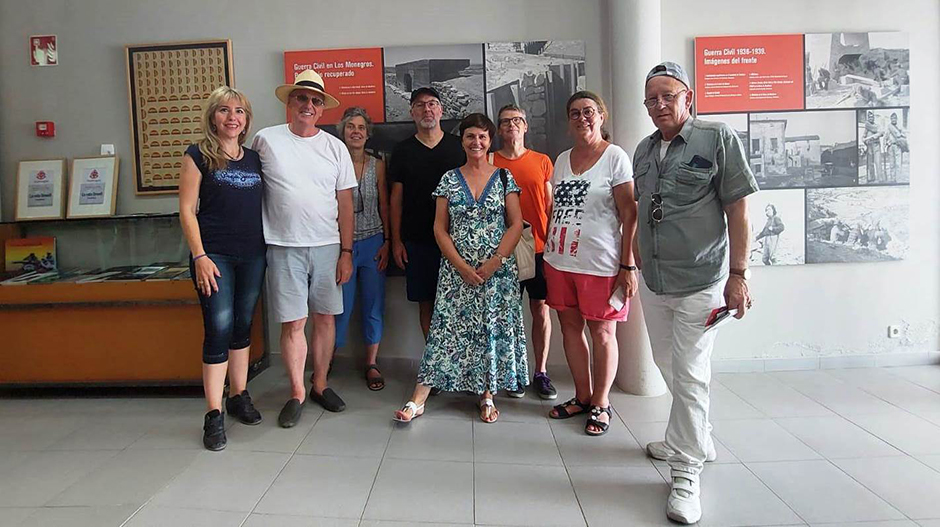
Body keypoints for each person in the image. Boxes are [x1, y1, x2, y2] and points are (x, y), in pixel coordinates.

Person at [633, 62, 758, 524]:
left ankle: (686, 471)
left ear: (689, 96)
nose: (660, 105)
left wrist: (739, 274)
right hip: (654, 282)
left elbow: (738, 210)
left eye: (668, 95)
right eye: (652, 99)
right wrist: (634, 257)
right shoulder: (644, 150)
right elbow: (643, 209)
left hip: (700, 283)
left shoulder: (717, 137)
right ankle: (694, 434)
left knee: (690, 375)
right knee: (669, 366)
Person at [393, 113, 527, 424]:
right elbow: (440, 229)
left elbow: (516, 223)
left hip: (497, 273)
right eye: (470, 136)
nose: (476, 142)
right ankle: (419, 398)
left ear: (489, 140)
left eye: (482, 136)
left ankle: (487, 395)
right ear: (462, 141)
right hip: (456, 273)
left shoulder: (505, 178)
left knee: (488, 329)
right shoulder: (449, 180)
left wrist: (495, 262)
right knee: (444, 331)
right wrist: (462, 266)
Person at [251, 69, 357, 427]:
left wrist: (346, 252)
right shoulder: (265, 140)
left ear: (322, 108)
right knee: (294, 322)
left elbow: (345, 204)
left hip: (327, 246)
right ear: (289, 102)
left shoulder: (335, 147)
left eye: (315, 100)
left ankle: (320, 384)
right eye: (301, 98)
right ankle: (296, 392)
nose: (307, 105)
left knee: (325, 318)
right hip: (282, 246)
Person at [544, 91, 638, 438]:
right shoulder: (563, 159)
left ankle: (601, 401)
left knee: (602, 332)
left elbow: (630, 214)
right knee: (570, 328)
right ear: (568, 122)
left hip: (600, 263)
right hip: (559, 260)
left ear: (601, 115)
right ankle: (582, 397)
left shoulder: (615, 157)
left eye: (588, 111)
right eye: (574, 113)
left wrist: (628, 267)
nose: (582, 118)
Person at [179, 86, 265, 451]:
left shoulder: (254, 158)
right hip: (214, 257)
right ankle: (213, 414)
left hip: (253, 254)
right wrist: (199, 256)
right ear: (213, 117)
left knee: (243, 326)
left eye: (240, 111)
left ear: (246, 120)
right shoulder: (197, 155)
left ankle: (239, 395)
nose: (233, 117)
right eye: (225, 110)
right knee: (218, 328)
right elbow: (186, 209)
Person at [389, 87, 465, 391]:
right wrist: (396, 240)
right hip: (418, 240)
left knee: (460, 306)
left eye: (432, 104)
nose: (427, 110)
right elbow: (396, 199)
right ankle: (437, 367)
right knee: (427, 304)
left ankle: (462, 366)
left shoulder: (459, 147)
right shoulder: (403, 150)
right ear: (412, 112)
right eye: (420, 105)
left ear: (441, 110)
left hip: (460, 242)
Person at [490, 104, 557, 400]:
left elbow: (551, 206)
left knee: (540, 310)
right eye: (505, 122)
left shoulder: (542, 161)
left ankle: (540, 372)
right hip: (505, 251)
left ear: (525, 126)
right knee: (507, 314)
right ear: (499, 129)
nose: (511, 126)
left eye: (517, 120)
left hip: (540, 249)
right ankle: (513, 373)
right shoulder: (490, 160)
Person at [334, 107, 390, 391]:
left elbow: (384, 204)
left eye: (361, 127)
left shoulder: (378, 165)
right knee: (338, 307)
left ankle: (371, 363)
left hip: (373, 242)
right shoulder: (331, 162)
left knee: (373, 305)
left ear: (368, 134)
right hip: (340, 245)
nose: (356, 131)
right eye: (350, 127)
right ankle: (327, 359)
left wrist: (388, 242)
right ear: (342, 132)